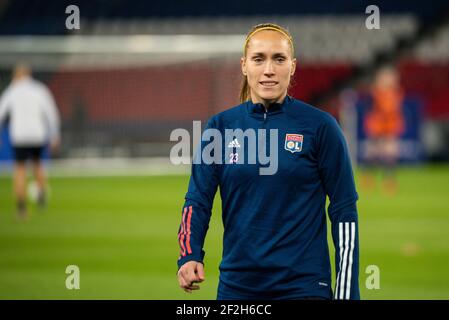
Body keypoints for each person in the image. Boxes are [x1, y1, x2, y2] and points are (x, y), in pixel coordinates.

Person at [176, 23, 360, 300]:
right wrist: (189, 254)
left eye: (279, 59)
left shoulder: (321, 127)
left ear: (293, 66)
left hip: (304, 288)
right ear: (244, 65)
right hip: (237, 289)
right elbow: (198, 200)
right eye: (259, 59)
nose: (269, 69)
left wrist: (346, 294)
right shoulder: (220, 128)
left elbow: (344, 211)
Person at [0, 63, 61, 219]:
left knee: (20, 169)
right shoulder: (40, 89)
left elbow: (1, 113)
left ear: (16, 75)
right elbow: (51, 112)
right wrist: (54, 134)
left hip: (19, 136)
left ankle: (21, 208)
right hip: (37, 135)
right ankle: (41, 198)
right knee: (38, 165)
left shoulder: (11, 91)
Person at [362, 66, 405, 194]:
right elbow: (372, 107)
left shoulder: (397, 92)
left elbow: (395, 109)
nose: (389, 80)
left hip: (390, 124)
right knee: (373, 152)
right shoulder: (376, 91)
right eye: (386, 77)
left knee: (391, 151)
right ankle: (367, 178)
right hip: (377, 123)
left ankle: (389, 181)